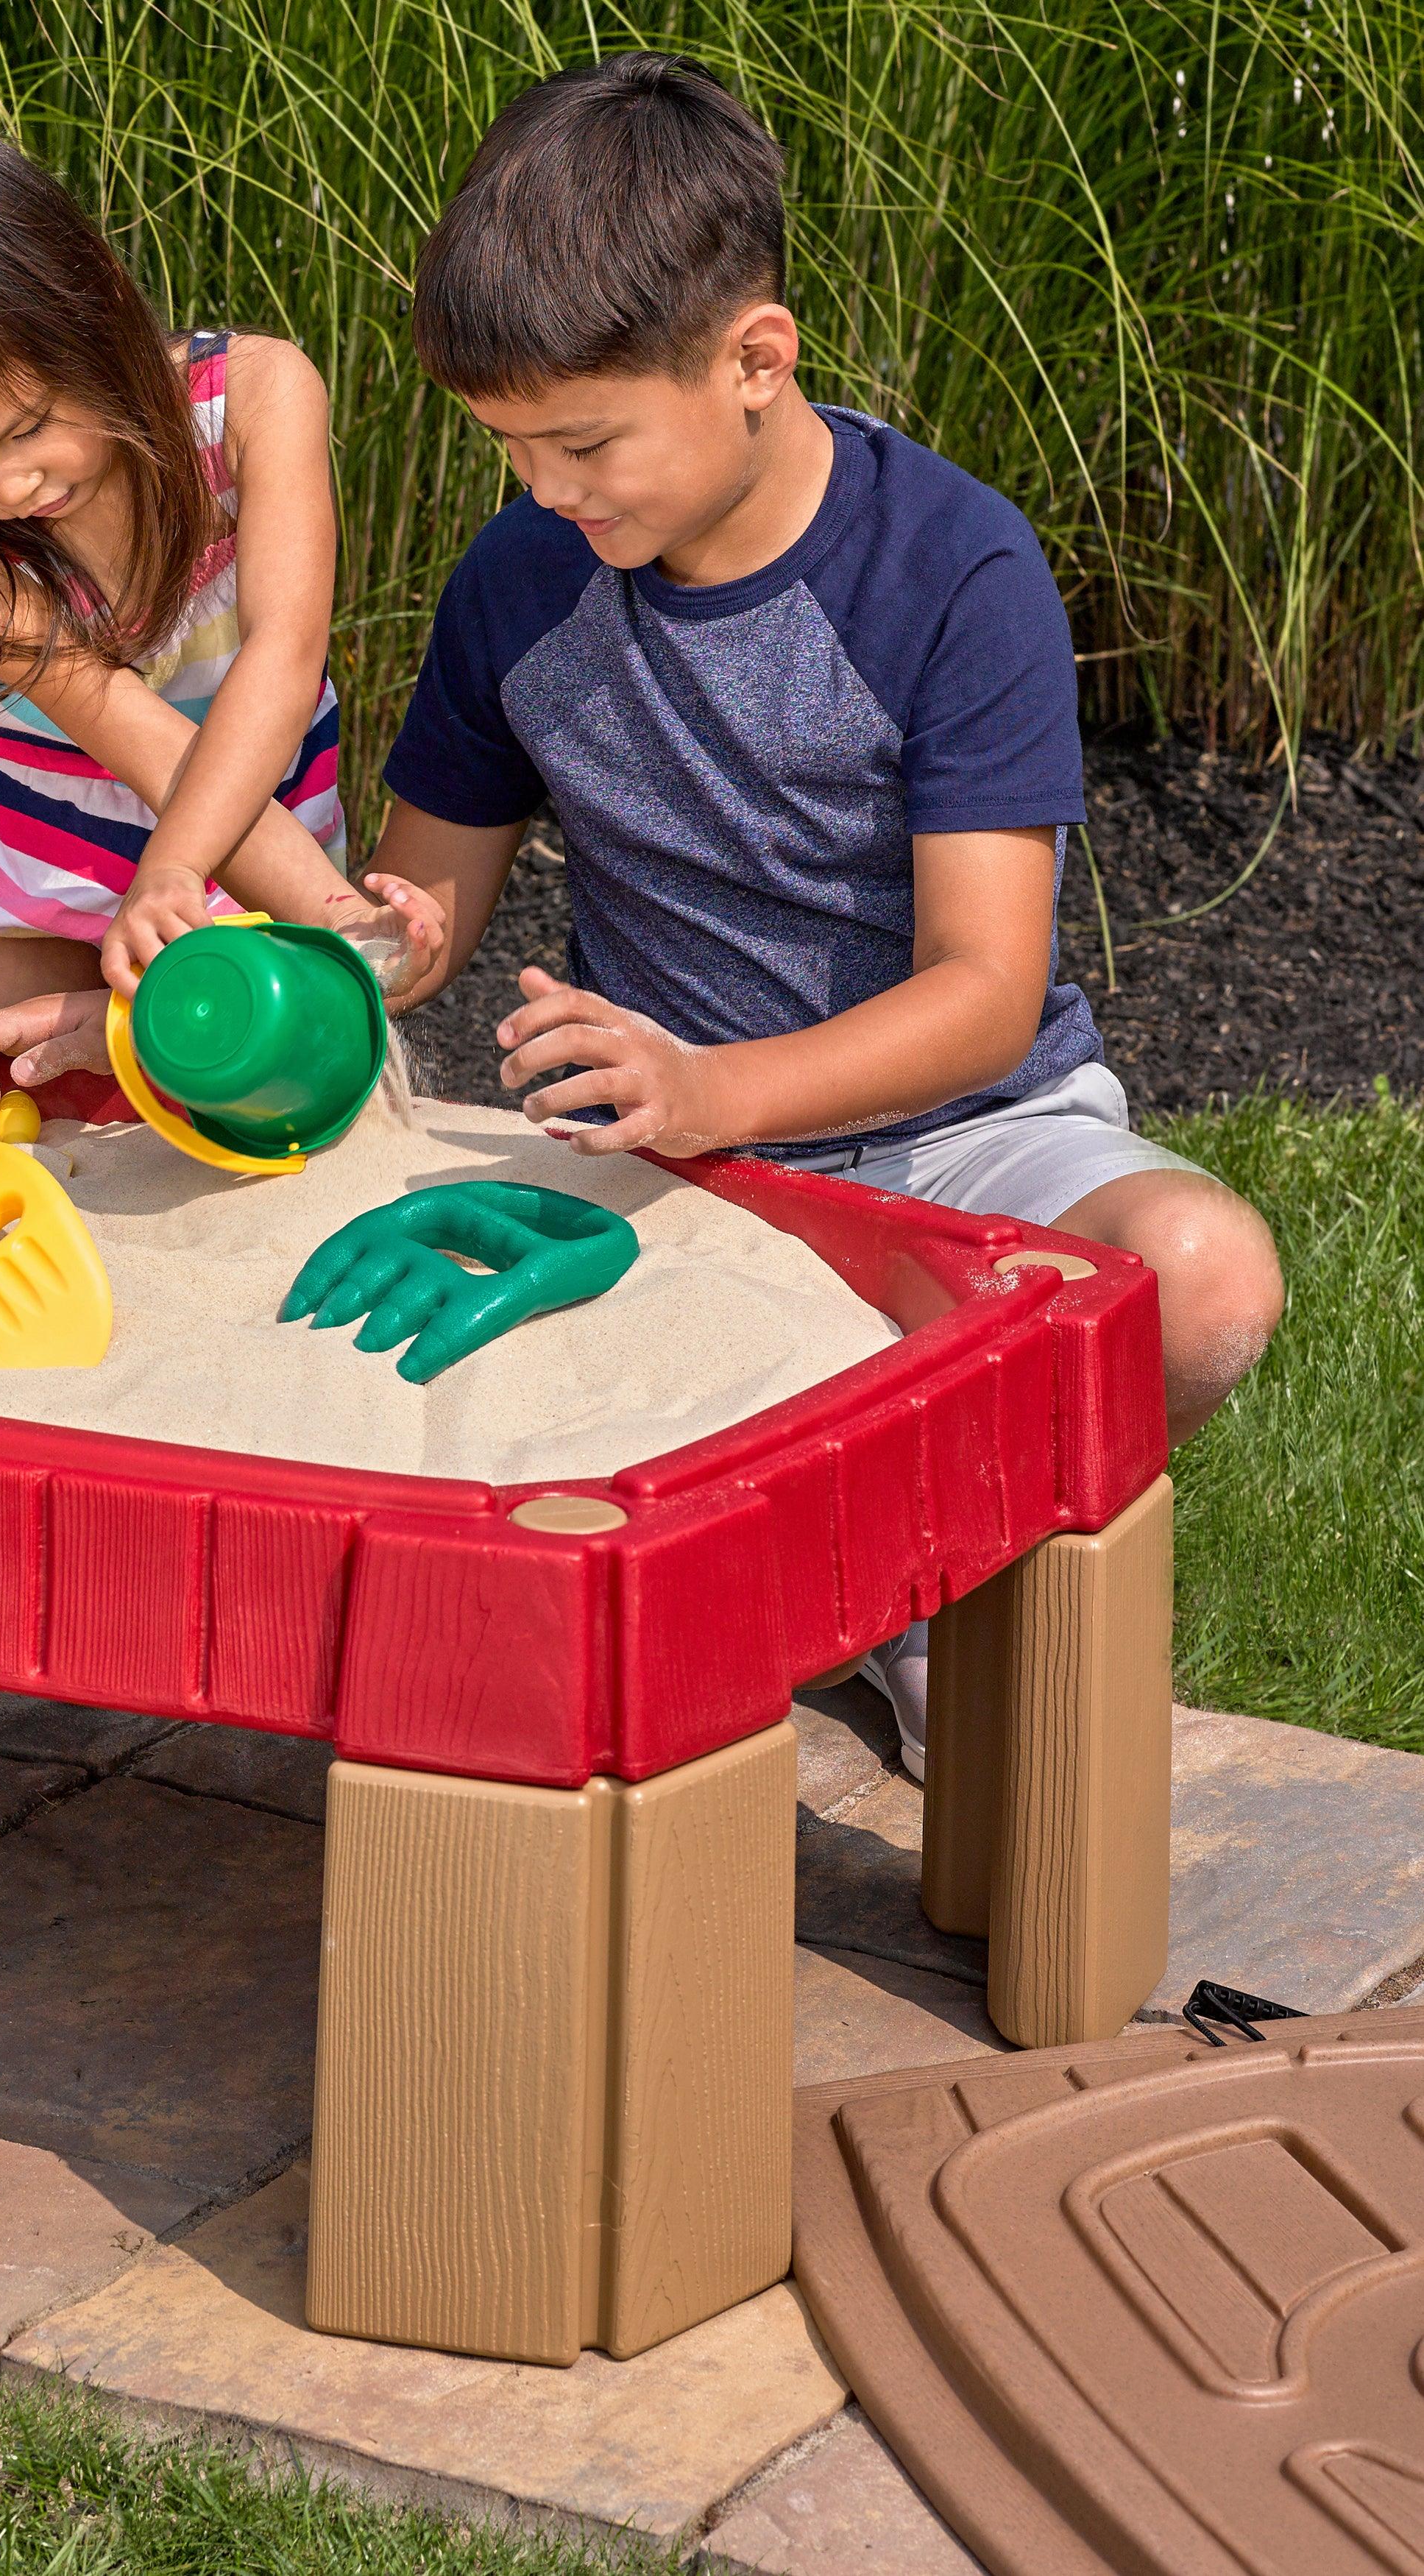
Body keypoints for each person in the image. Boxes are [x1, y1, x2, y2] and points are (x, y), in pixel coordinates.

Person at [364, 54, 1284, 1776]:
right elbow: (424, 901)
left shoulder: (952, 568)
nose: (550, 492)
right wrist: (313, 946)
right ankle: (850, 1584)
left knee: (1205, 1273)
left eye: (582, 443)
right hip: (676, 1170)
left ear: (754, 361)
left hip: (964, 1136)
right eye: (509, 451)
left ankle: (943, 1592)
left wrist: (719, 1087)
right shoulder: (518, 583)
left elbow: (987, 993)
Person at [0, 126, 442, 1117]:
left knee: (253, 1132)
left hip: (250, 824)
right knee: (1, 1122)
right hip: (44, 851)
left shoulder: (256, 398)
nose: (9, 486)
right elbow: (145, 744)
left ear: (96, 311)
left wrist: (318, 911)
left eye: (29, 425)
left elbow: (281, 655)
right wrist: (314, 909)